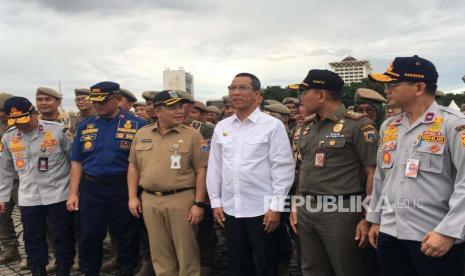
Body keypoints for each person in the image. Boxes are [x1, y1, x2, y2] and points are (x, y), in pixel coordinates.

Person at [366, 55, 465, 275]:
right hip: (390, 234)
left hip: (433, 237)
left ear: (419, 87)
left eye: (392, 84)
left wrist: (449, 232)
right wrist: (375, 219)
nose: (386, 89)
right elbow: (383, 178)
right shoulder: (389, 127)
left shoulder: (453, 125)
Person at [288, 69, 378, 276]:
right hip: (307, 207)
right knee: (312, 269)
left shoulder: (359, 125)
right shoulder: (308, 127)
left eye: (304, 92)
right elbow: (304, 170)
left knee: (347, 267)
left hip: (342, 210)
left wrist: (369, 216)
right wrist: (296, 204)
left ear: (321, 94)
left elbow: (373, 173)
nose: (301, 98)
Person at [207, 72, 295, 275]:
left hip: (262, 210)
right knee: (238, 264)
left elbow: (282, 169)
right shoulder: (222, 126)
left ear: (258, 95)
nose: (235, 93)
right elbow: (215, 167)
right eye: (232, 88)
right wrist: (216, 202)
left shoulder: (272, 125)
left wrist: (276, 207)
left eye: (242, 88)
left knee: (265, 264)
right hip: (231, 208)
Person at [66, 81, 145, 276]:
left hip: (123, 187)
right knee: (90, 234)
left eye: (103, 101)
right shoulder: (86, 125)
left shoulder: (137, 125)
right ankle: (89, 271)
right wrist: (73, 193)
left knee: (126, 235)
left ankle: (126, 269)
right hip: (92, 188)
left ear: (117, 99)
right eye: (96, 101)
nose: (99, 105)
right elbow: (77, 161)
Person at [128, 90, 208, 276]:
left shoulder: (192, 135)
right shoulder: (142, 133)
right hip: (149, 200)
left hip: (181, 200)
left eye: (180, 106)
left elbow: (201, 171)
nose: (179, 111)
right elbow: (133, 167)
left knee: (186, 252)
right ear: (157, 111)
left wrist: (198, 203)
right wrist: (133, 197)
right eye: (172, 107)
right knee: (160, 253)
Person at [0, 97, 75, 276]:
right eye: (15, 121)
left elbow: (75, 161)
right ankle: (37, 270)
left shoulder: (57, 131)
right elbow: (4, 170)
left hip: (59, 193)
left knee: (62, 237)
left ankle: (64, 269)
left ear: (34, 113)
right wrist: (2, 197)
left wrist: (75, 191)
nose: (21, 125)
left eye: (24, 120)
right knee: (32, 239)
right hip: (29, 197)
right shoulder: (9, 137)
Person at [0, 92, 20, 266]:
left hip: (21, 180)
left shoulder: (22, 125)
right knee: (2, 216)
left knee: (30, 220)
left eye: (2, 110)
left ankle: (33, 251)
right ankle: (10, 248)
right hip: (3, 180)